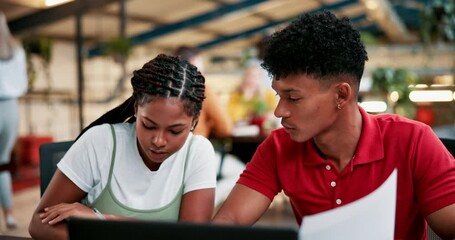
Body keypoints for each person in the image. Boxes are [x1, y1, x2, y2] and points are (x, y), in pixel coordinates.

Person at [212, 11, 455, 240]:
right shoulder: (278, 147)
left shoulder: (413, 141)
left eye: (293, 98)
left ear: (341, 95)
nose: (279, 111)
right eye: (279, 96)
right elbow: (229, 221)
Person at [29, 54, 216, 240]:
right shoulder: (100, 142)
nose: (159, 140)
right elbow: (39, 224)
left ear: (195, 121)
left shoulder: (197, 153)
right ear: (136, 109)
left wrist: (103, 220)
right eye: (148, 125)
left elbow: (193, 237)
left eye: (175, 131)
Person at [174, 46, 245, 207]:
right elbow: (226, 128)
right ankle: (206, 205)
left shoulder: (167, 87)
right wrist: (209, 125)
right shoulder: (202, 88)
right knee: (242, 173)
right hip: (193, 154)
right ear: (193, 63)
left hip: (169, 156)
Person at [0, 11, 28, 230]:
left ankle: (8, 212)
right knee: (2, 164)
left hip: (4, 105)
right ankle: (9, 214)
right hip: (11, 107)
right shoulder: (16, 50)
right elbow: (23, 83)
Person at [227, 61, 277, 135]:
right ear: (244, 78)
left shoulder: (268, 94)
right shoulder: (236, 95)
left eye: (255, 77)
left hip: (263, 133)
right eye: (249, 76)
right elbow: (233, 117)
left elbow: (275, 115)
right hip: (242, 133)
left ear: (260, 79)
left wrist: (267, 116)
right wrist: (245, 97)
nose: (251, 80)